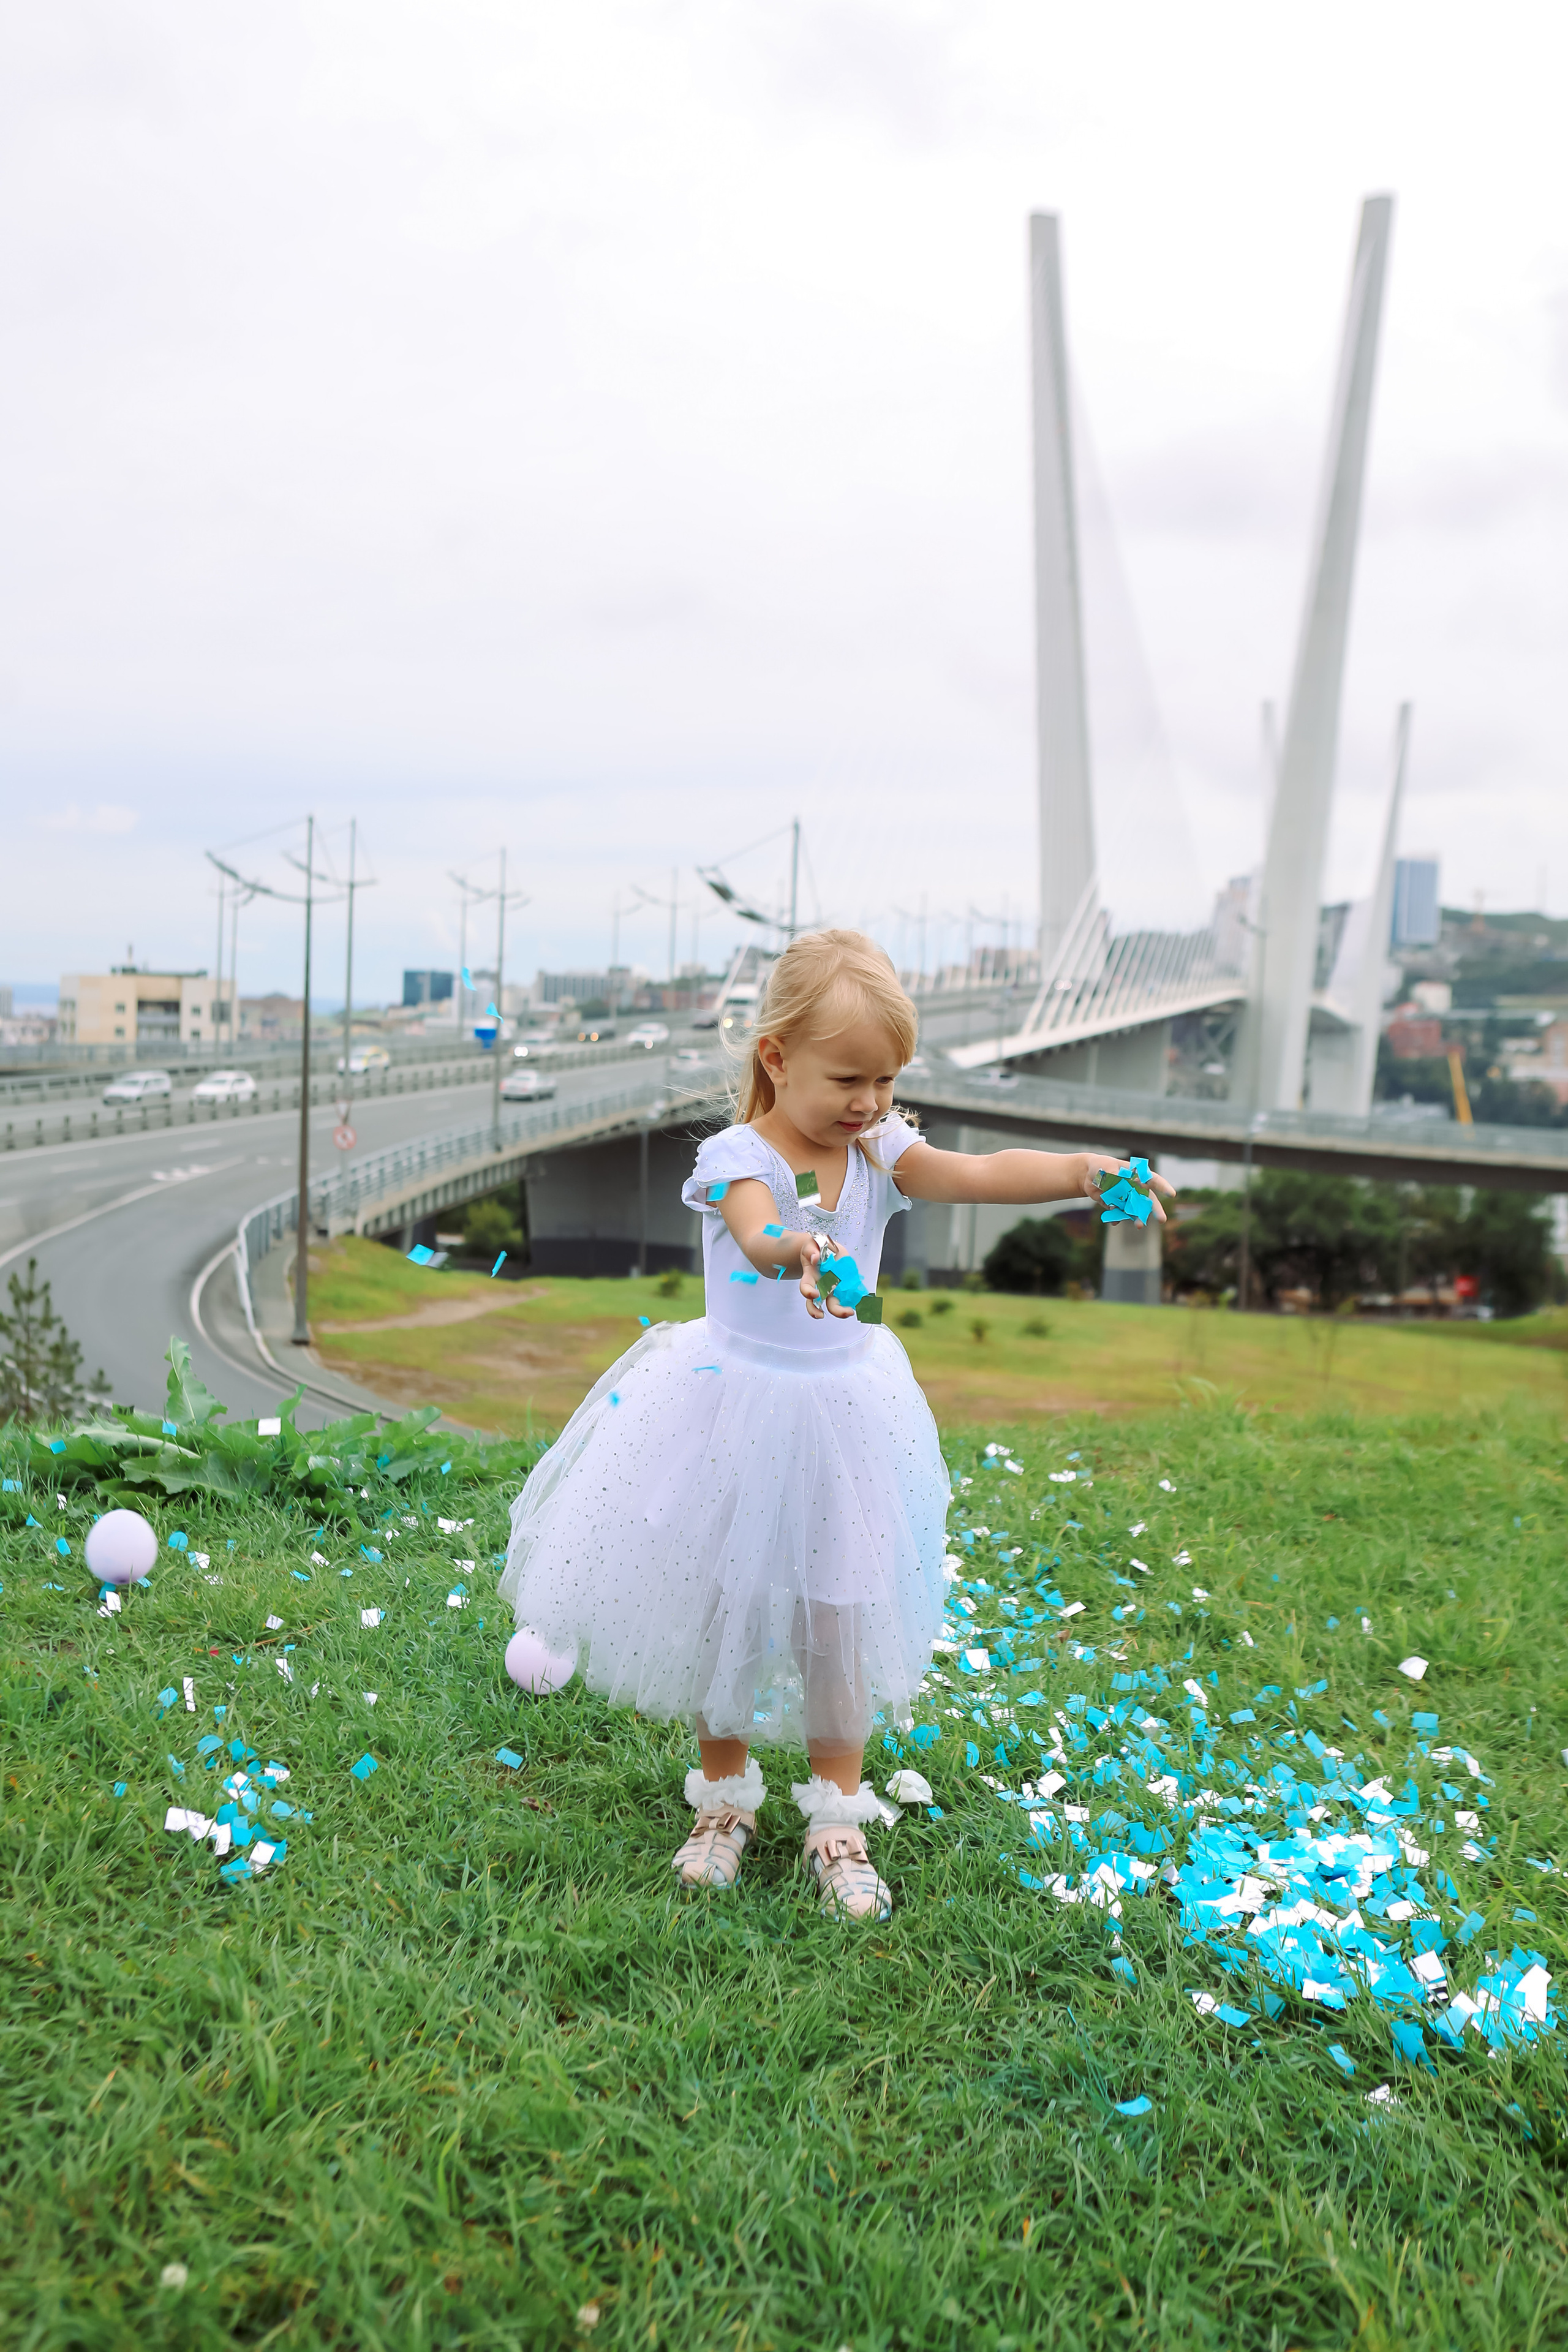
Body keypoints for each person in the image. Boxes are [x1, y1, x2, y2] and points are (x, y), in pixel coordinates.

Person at [499, 929, 1170, 1920]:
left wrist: (1079, 1170)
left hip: (845, 1412)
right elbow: (757, 1231)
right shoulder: (738, 1157)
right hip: (732, 1407)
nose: (869, 1100)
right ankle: (723, 1798)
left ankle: (836, 1816)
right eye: (848, 1078)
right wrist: (799, 1251)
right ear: (777, 1058)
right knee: (725, 1600)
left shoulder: (881, 1149)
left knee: (839, 1612)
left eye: (886, 1080)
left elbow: (976, 1173)